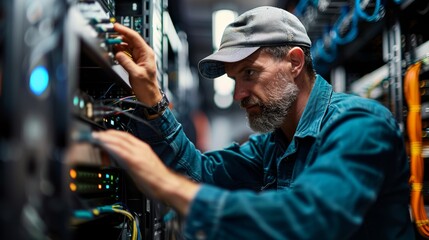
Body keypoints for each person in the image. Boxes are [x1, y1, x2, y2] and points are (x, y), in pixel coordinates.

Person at [92, 6, 415, 239]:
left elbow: (310, 221)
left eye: (249, 73)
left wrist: (165, 184)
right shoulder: (273, 144)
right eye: (234, 79)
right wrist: (151, 98)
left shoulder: (359, 125)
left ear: (294, 62)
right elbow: (202, 173)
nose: (239, 94)